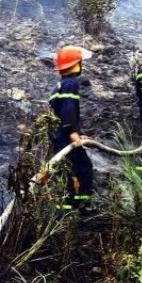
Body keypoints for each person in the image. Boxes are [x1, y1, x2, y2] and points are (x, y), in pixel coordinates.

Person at [49, 45, 94, 208]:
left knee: (69, 171)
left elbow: (61, 113)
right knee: (84, 168)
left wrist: (78, 133)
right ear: (76, 65)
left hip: (59, 136)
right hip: (64, 137)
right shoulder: (71, 84)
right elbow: (68, 111)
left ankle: (69, 206)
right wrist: (73, 134)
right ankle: (83, 203)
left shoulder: (61, 85)